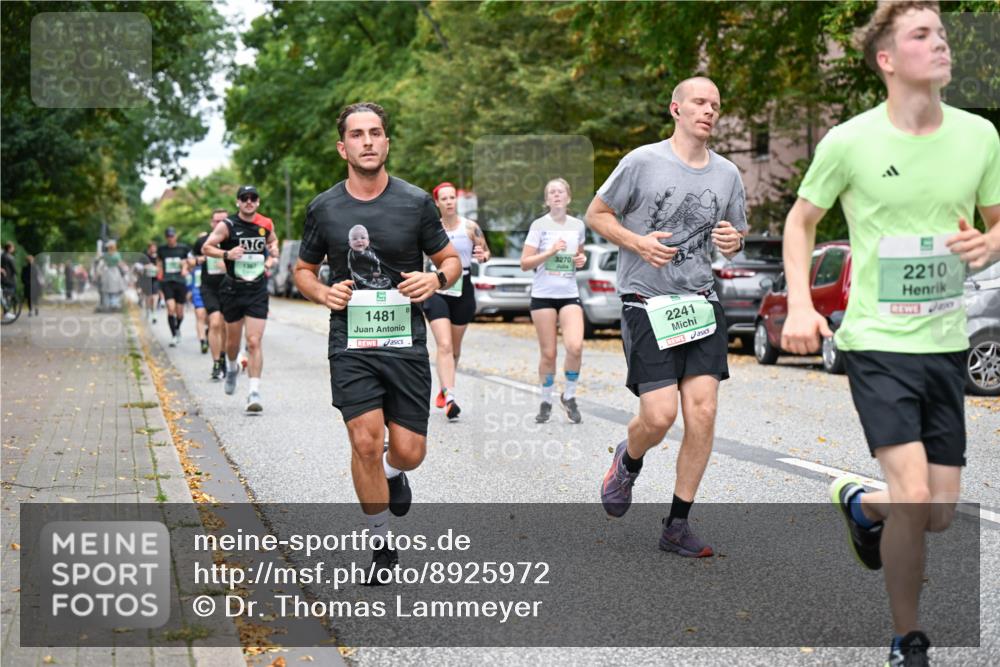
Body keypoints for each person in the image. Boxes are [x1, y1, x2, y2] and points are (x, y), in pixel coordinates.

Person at [780, 3, 999, 665]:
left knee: (935, 509)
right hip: (877, 341)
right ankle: (908, 638)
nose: (939, 44)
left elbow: (998, 221)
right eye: (920, 35)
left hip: (945, 341)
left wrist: (988, 245)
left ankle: (859, 504)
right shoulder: (850, 142)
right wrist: (798, 304)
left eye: (941, 33)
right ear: (887, 59)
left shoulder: (978, 137)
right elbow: (800, 222)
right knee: (913, 496)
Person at [294, 102, 460, 581]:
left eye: (376, 133)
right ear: (343, 146)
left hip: (404, 343)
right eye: (358, 134)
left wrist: (436, 281)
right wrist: (323, 291)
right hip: (351, 343)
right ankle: (381, 543)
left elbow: (449, 260)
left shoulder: (414, 202)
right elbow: (302, 271)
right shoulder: (324, 208)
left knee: (408, 451)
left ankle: (393, 472)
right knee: (364, 440)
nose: (368, 141)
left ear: (387, 142)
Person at [586, 76, 747, 557]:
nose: (709, 111)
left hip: (699, 302)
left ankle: (677, 525)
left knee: (703, 412)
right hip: (645, 302)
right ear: (676, 109)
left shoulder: (728, 174)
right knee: (658, 416)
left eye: (716, 104)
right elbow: (596, 214)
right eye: (699, 102)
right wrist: (637, 242)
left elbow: (736, 229)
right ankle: (628, 460)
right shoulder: (642, 161)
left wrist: (732, 241)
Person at [202, 186, 279, 412]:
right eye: (244, 198)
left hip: (257, 289)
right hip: (233, 289)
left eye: (253, 198)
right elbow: (207, 247)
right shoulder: (228, 226)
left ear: (258, 201)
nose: (248, 201)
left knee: (254, 341)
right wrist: (227, 254)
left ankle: (254, 391)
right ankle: (232, 366)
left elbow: (273, 243)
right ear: (237, 202)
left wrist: (271, 256)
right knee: (233, 344)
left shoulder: (266, 224)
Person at [421, 181, 492, 420]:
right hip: (437, 288)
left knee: (454, 348)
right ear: (437, 203)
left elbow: (485, 253)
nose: (450, 202)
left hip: (463, 289)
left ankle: (444, 387)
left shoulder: (470, 227)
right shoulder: (430, 228)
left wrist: (482, 256)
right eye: (445, 198)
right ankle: (449, 396)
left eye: (453, 198)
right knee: (444, 345)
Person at [520, 178, 587, 424]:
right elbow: (525, 263)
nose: (556, 195)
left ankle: (569, 395)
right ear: (547, 200)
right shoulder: (539, 225)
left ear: (568, 198)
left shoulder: (578, 225)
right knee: (549, 353)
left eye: (560, 192)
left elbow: (580, 254)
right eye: (551, 192)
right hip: (543, 296)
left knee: (575, 346)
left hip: (569, 293)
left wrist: (581, 260)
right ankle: (546, 400)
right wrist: (549, 252)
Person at [193, 210, 231, 380]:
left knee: (225, 327)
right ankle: (216, 363)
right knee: (215, 322)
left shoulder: (232, 240)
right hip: (209, 287)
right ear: (211, 223)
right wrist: (197, 260)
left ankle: (223, 357)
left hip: (229, 287)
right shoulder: (202, 241)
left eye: (223, 220)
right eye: (217, 221)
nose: (220, 224)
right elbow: (190, 260)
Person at [157, 227, 192, 347]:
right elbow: (159, 264)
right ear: (166, 237)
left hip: (180, 282)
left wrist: (185, 267)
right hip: (167, 281)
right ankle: (173, 336)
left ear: (176, 236)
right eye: (168, 236)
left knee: (180, 312)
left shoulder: (184, 248)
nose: (170, 239)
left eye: (172, 236)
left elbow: (191, 263)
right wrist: (159, 275)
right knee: (170, 308)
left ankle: (177, 328)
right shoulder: (162, 249)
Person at [138, 242, 160, 323]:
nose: (154, 249)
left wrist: (157, 268)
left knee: (155, 297)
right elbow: (138, 266)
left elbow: (161, 265)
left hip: (155, 279)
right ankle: (148, 310)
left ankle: (154, 314)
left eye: (155, 248)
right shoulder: (144, 256)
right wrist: (146, 267)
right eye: (152, 248)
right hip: (146, 279)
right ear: (149, 248)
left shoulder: (158, 256)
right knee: (148, 297)